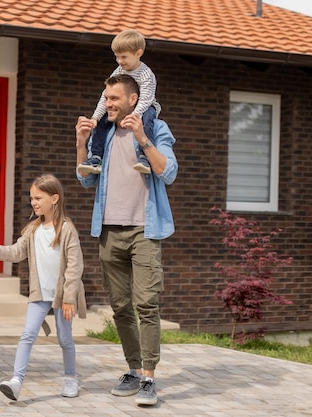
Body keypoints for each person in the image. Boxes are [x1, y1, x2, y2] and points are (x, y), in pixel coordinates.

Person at [75, 74, 178, 406]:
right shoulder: (103, 133)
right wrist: (81, 142)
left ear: (133, 99)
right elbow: (85, 180)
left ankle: (149, 378)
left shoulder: (156, 128)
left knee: (147, 304)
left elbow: (168, 171)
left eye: (114, 99)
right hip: (108, 230)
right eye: (106, 98)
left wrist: (142, 137)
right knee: (120, 306)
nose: (108, 104)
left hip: (143, 231)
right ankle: (133, 369)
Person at [0, 174, 86, 401]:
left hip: (62, 296)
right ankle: (16, 381)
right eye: (31, 199)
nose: (34, 202)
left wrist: (69, 298)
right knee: (27, 334)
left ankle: (70, 378)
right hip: (39, 294)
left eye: (38, 198)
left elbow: (75, 267)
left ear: (54, 198)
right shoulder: (32, 229)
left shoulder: (66, 229)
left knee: (65, 339)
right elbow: (15, 252)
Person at [77, 29, 161, 176]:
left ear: (138, 53)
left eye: (123, 57)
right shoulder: (118, 71)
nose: (120, 61)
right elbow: (106, 95)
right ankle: (96, 157)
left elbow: (146, 99)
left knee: (147, 120)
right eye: (117, 57)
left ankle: (144, 157)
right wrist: (95, 117)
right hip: (130, 109)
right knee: (102, 122)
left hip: (145, 106)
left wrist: (133, 116)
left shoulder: (146, 74)